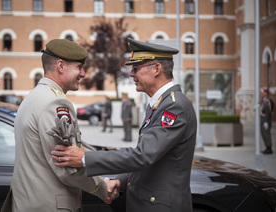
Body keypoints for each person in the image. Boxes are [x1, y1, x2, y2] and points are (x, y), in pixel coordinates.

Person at [51, 38, 197, 212]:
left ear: (157, 69)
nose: (131, 74)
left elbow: (143, 156)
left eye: (136, 68)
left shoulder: (174, 106)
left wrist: (84, 158)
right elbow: (152, 159)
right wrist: (121, 181)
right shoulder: (161, 103)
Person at [0, 39, 118, 212]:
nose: (83, 73)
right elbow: (67, 165)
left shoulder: (34, 97)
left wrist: (109, 160)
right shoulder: (55, 103)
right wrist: (102, 187)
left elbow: (76, 148)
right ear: (61, 66)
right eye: (79, 67)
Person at [260, 88, 274, 154]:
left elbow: (268, 112)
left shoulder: (267, 101)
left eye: (262, 93)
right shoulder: (263, 100)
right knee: (263, 134)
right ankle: (266, 147)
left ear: (265, 93)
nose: (261, 94)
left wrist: (266, 122)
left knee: (267, 135)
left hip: (266, 120)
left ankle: (269, 148)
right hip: (262, 120)